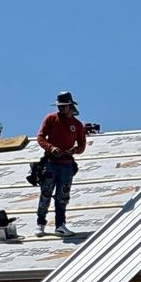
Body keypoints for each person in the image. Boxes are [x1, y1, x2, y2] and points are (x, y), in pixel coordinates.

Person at [35, 91, 87, 237]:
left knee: (62, 197)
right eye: (60, 105)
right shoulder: (51, 118)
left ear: (70, 105)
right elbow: (40, 137)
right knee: (46, 193)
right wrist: (51, 148)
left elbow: (82, 145)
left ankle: (60, 225)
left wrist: (74, 150)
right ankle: (40, 224)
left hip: (67, 165)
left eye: (64, 105)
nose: (61, 108)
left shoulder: (77, 125)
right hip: (50, 163)